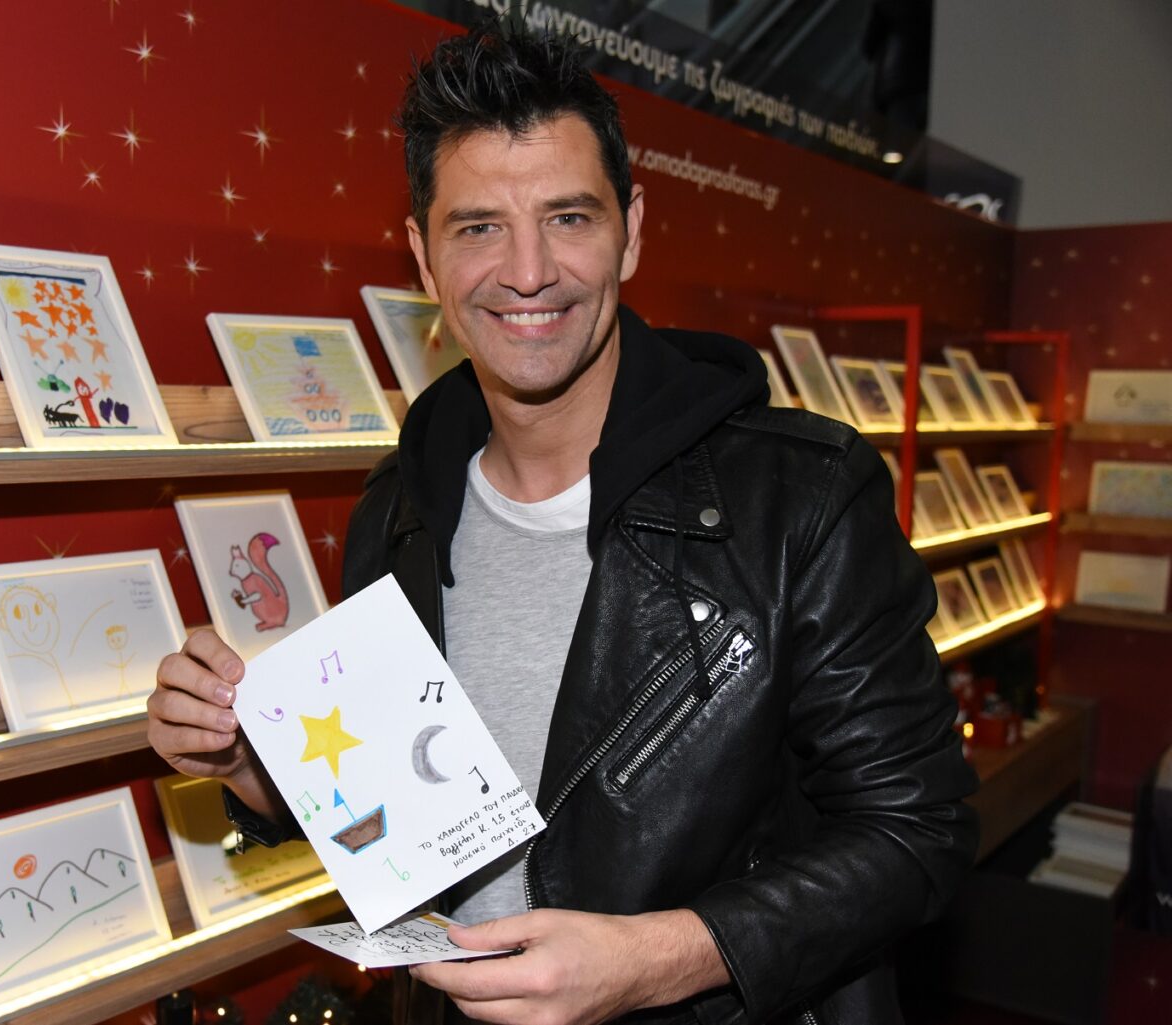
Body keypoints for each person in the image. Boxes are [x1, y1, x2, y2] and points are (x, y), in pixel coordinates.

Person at [149, 22, 977, 1025]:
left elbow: (918, 832)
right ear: (423, 258)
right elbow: (401, 818)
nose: (529, 270)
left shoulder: (801, 497)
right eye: (478, 228)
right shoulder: (400, 506)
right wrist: (249, 766)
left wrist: (655, 958)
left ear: (631, 228)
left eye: (569, 217)